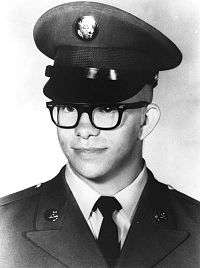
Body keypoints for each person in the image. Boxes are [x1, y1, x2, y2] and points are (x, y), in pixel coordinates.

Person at [0, 2, 199, 268]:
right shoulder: (5, 228)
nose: (84, 130)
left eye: (106, 109)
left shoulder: (195, 228)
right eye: (69, 107)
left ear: (146, 121)